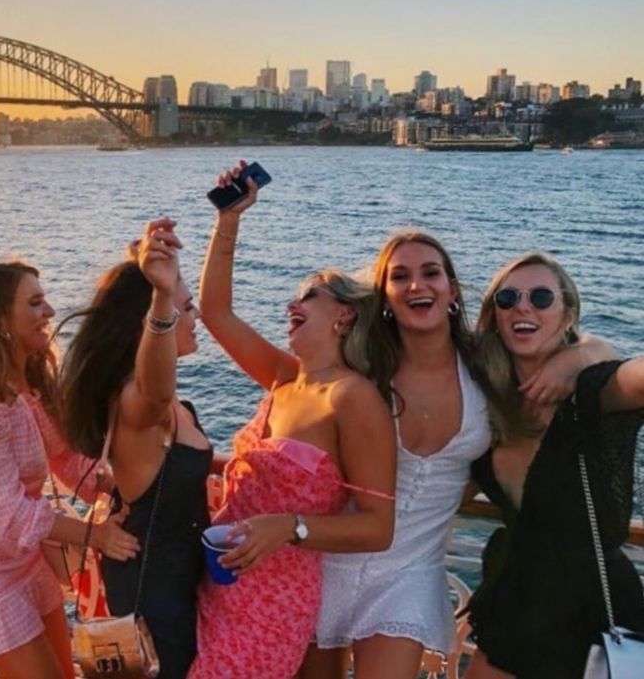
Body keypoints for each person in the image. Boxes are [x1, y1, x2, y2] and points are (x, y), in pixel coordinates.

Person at [303, 232, 617, 679]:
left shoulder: (484, 365)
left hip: (414, 576)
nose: (418, 285)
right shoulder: (362, 364)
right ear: (385, 297)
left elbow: (599, 353)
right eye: (400, 276)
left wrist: (580, 356)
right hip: (331, 556)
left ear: (452, 290)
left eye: (431, 273)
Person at [189, 163, 397, 679]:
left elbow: (378, 527)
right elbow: (216, 312)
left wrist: (290, 528)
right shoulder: (286, 378)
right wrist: (229, 220)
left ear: (344, 315)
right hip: (219, 580)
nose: (290, 305)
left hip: (274, 602)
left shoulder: (352, 399)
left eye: (307, 296)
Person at [0, 262, 139, 679]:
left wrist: (126, 487)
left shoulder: (21, 380)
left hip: (22, 562)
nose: (50, 311)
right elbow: (9, 516)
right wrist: (97, 536)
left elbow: (66, 459)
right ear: (0, 320)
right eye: (35, 303)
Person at [464, 253, 644, 679]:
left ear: (568, 315)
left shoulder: (590, 393)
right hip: (516, 600)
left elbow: (634, 379)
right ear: (495, 317)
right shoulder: (486, 398)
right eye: (508, 298)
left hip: (590, 611)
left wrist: (588, 354)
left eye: (541, 297)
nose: (523, 307)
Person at [59, 218, 214, 679]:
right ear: (147, 324)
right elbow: (154, 389)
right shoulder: (139, 405)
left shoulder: (175, 408)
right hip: (154, 597)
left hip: (177, 579)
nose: (196, 315)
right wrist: (163, 297)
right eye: (188, 307)